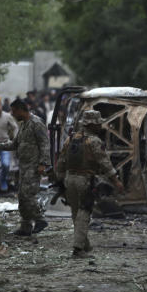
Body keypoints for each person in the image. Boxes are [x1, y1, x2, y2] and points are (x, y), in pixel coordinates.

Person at [54, 110, 124, 258]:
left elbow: (60, 161)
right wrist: (116, 181)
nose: (100, 126)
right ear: (92, 124)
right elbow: (105, 163)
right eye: (98, 123)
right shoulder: (94, 141)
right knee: (84, 214)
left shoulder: (70, 139)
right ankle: (78, 249)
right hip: (85, 180)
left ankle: (84, 245)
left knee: (75, 213)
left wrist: (60, 181)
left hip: (69, 179)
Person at [0, 98, 51, 236]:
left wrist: (43, 163)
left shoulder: (36, 123)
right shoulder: (24, 125)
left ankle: (40, 220)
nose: (12, 114)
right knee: (22, 197)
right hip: (24, 166)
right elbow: (14, 144)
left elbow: (45, 144)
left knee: (27, 195)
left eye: (14, 111)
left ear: (20, 110)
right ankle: (26, 226)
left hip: (34, 166)